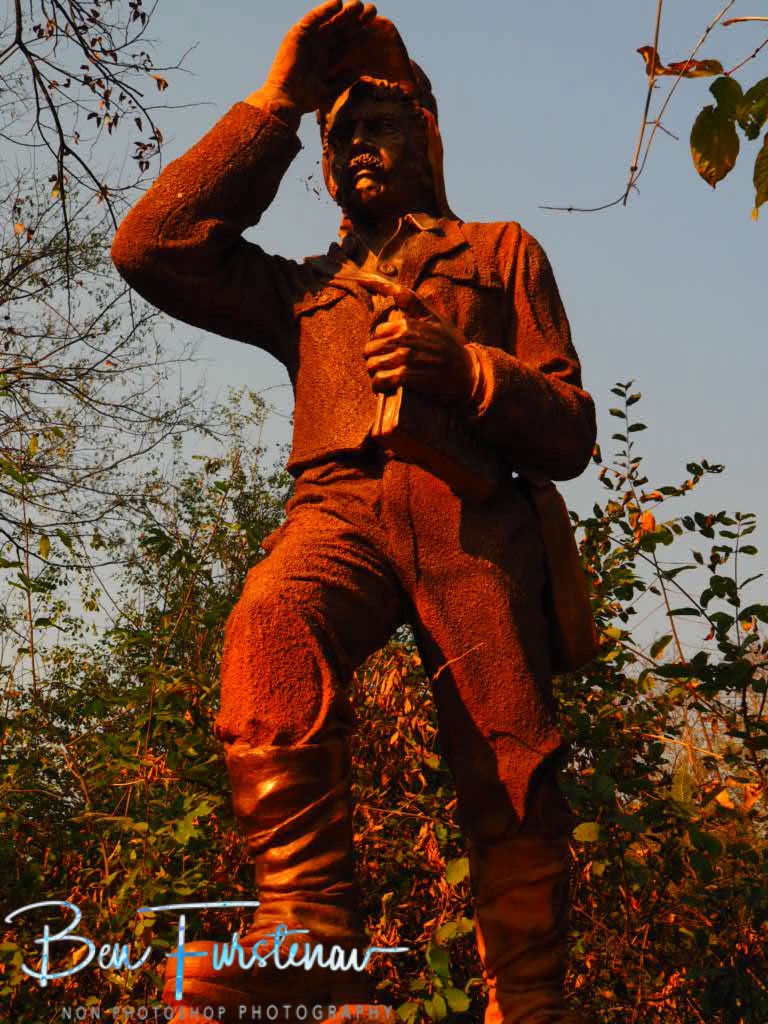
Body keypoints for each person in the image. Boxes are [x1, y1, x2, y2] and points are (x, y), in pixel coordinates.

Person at [111, 3, 597, 1021]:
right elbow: (151, 246)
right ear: (323, 166)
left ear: (427, 137)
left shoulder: (500, 254)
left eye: (380, 125)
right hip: (337, 513)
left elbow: (569, 431)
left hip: (472, 521)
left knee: (510, 762)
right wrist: (280, 99)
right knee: (270, 621)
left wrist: (468, 370)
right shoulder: (306, 293)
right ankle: (307, 928)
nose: (359, 146)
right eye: (341, 136)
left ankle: (531, 1002)